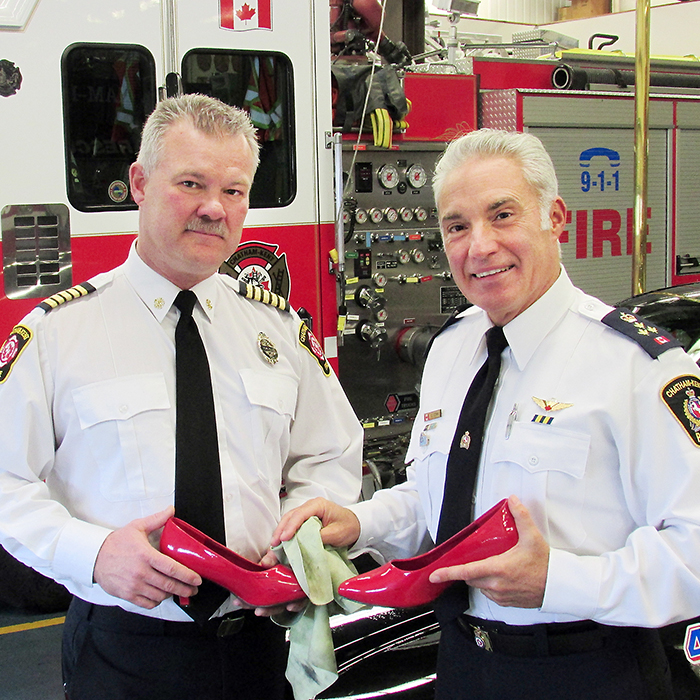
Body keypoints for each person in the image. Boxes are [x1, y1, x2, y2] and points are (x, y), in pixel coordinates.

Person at [270, 129, 700, 699]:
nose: (480, 246)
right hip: (461, 662)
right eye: (457, 226)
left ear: (556, 218)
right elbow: (435, 494)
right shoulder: (453, 349)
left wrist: (557, 581)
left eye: (502, 215)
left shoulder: (638, 368)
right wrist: (362, 523)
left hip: (588, 668)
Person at [0, 94, 363, 700]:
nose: (214, 209)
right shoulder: (56, 334)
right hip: (124, 650)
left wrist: (304, 534)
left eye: (235, 190)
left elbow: (328, 454)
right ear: (139, 183)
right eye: (190, 183)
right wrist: (92, 555)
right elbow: (6, 481)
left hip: (262, 642)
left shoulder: (276, 330)